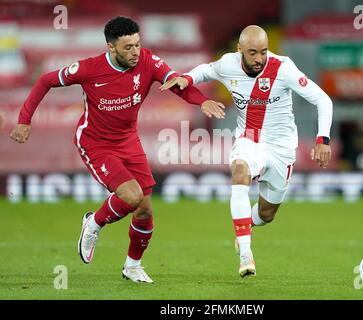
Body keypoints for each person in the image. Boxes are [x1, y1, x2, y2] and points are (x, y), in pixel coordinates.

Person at [10, 16, 225, 284]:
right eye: (128, 47)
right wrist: (24, 120)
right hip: (96, 143)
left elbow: (175, 83)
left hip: (128, 141)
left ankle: (132, 266)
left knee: (144, 209)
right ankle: (94, 223)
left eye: (137, 44)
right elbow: (45, 80)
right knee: (132, 196)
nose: (135, 52)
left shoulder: (147, 60)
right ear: (111, 48)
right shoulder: (89, 69)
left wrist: (201, 101)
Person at [161, 25, 333, 277]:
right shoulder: (228, 64)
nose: (259, 59)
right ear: (239, 49)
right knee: (239, 171)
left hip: (282, 146)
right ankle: (245, 253)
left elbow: (322, 99)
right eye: (253, 53)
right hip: (249, 139)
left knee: (267, 214)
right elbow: (205, 71)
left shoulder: (283, 68)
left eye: (263, 52)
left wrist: (322, 140)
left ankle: (248, 223)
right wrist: (186, 78)